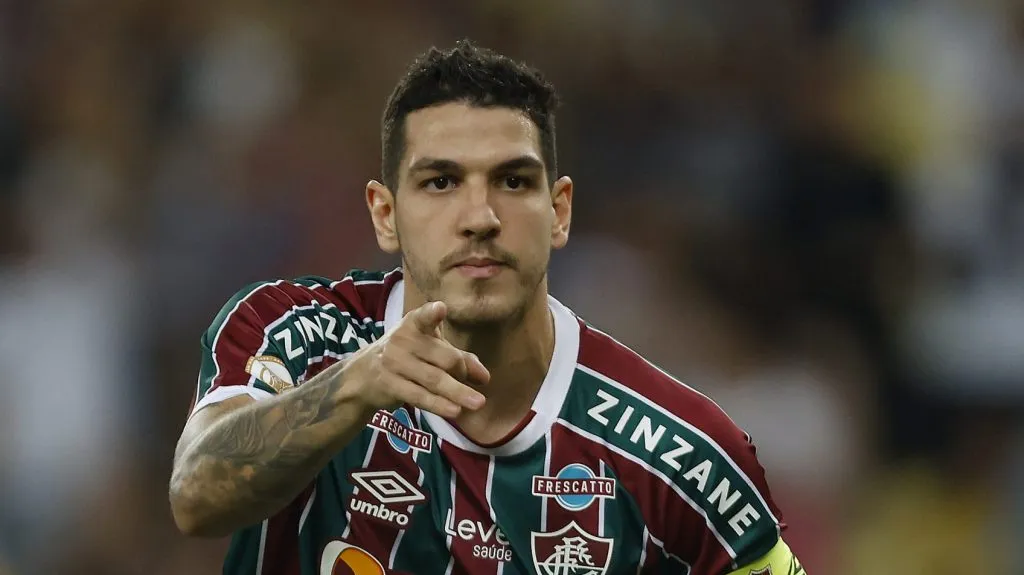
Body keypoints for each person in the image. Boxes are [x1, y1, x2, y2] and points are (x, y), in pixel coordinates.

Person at [169, 40, 806, 575]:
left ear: (559, 211)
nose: (480, 218)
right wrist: (356, 386)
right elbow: (195, 496)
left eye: (513, 181)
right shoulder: (295, 334)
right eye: (441, 182)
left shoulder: (683, 455)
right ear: (385, 215)